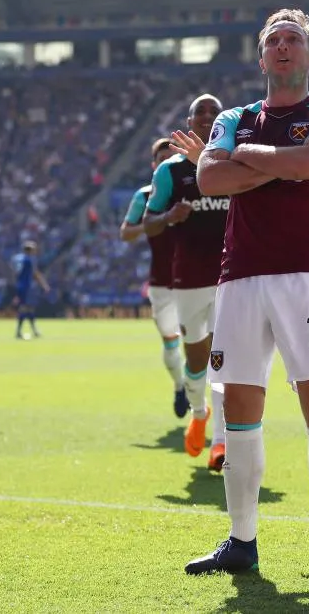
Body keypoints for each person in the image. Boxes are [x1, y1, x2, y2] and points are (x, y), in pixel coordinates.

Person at [176, 9, 309, 577]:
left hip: (305, 276)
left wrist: (251, 159)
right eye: (273, 41)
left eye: (294, 41)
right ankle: (241, 541)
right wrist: (288, 167)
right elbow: (210, 180)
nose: (283, 47)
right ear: (261, 58)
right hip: (239, 277)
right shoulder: (234, 115)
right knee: (237, 408)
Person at [145, 94, 229, 469]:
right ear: (189, 120)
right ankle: (198, 413)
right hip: (189, 280)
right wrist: (170, 217)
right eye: (201, 112)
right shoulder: (171, 172)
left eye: (215, 112)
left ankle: (222, 444)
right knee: (196, 361)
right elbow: (148, 221)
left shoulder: (233, 166)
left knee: (226, 361)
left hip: (232, 277)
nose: (208, 117)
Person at [120, 139, 189, 418]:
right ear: (154, 165)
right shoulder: (145, 195)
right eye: (161, 159)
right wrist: (153, 223)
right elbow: (126, 232)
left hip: (198, 277)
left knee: (204, 343)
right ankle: (180, 386)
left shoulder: (192, 188)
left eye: (171, 158)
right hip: (162, 281)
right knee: (171, 341)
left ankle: (199, 399)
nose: (166, 163)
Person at [12, 240, 49, 339]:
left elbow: (15, 272)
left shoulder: (18, 259)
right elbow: (35, 273)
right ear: (30, 250)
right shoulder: (29, 260)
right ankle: (19, 332)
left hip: (20, 286)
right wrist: (44, 285)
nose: (35, 251)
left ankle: (34, 331)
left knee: (29, 309)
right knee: (25, 309)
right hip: (26, 287)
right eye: (34, 249)